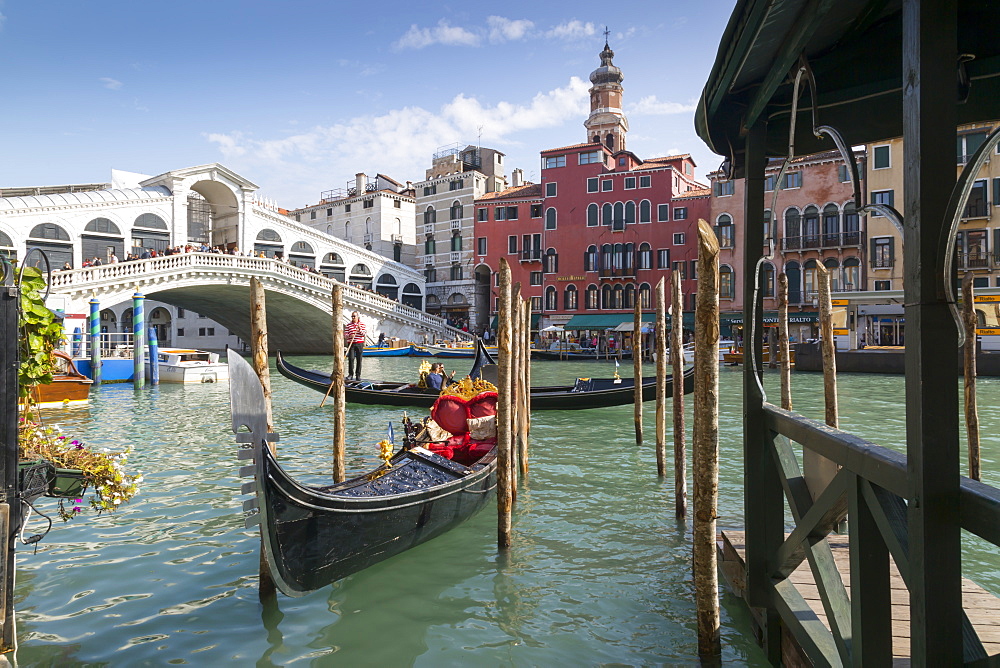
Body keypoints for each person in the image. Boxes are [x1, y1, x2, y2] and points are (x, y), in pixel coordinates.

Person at [344, 311, 366, 380]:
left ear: (357, 317)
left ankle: (358, 375)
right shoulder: (348, 325)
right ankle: (350, 374)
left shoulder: (362, 324)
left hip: (359, 343)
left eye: (354, 316)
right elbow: (345, 335)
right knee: (351, 358)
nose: (353, 317)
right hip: (351, 343)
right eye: (352, 316)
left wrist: (359, 329)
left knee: (359, 360)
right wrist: (350, 335)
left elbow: (364, 334)